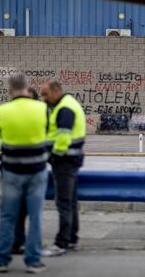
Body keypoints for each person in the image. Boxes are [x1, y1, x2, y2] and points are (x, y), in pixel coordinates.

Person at [0, 75, 49, 273]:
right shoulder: (42, 109)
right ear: (27, 88)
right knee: (35, 217)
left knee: (7, 216)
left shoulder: (2, 110)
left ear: (10, 90)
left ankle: (2, 260)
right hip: (36, 170)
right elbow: (48, 134)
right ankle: (33, 261)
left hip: (11, 170)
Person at [40, 81, 86, 257]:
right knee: (71, 202)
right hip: (71, 160)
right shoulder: (67, 104)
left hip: (64, 161)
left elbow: (63, 139)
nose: (44, 98)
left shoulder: (65, 109)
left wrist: (52, 156)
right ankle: (72, 239)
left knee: (64, 203)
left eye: (46, 94)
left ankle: (62, 243)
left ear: (56, 91)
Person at [12, 87, 40, 255]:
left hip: (30, 169)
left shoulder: (8, 113)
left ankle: (26, 248)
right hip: (18, 169)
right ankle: (20, 245)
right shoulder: (42, 114)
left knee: (26, 211)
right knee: (16, 211)